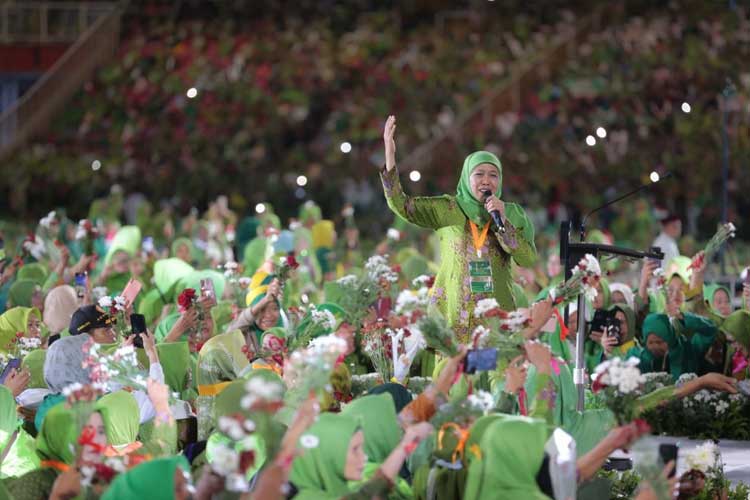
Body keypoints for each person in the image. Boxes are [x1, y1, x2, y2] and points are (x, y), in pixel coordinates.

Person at [380, 116, 537, 341]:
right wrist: (390, 155)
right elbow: (401, 204)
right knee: (455, 375)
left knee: (497, 373)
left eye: (493, 175)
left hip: (496, 318)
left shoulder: (511, 213)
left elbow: (528, 259)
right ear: (466, 177)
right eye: (479, 174)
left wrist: (503, 223)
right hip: (455, 317)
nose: (486, 180)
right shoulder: (448, 209)